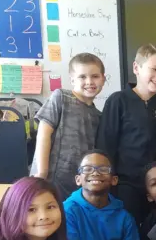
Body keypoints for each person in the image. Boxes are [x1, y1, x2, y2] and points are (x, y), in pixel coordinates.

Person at [96, 44, 156, 224]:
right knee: (127, 230)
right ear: (136, 68)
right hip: (125, 185)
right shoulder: (118, 100)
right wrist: (109, 181)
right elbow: (105, 144)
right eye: (154, 69)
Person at [31, 53, 105, 201]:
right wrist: (42, 172)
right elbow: (43, 134)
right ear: (72, 79)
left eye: (95, 76)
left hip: (78, 185)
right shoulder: (61, 97)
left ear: (103, 79)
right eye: (82, 77)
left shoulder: (98, 115)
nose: (89, 81)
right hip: (50, 179)